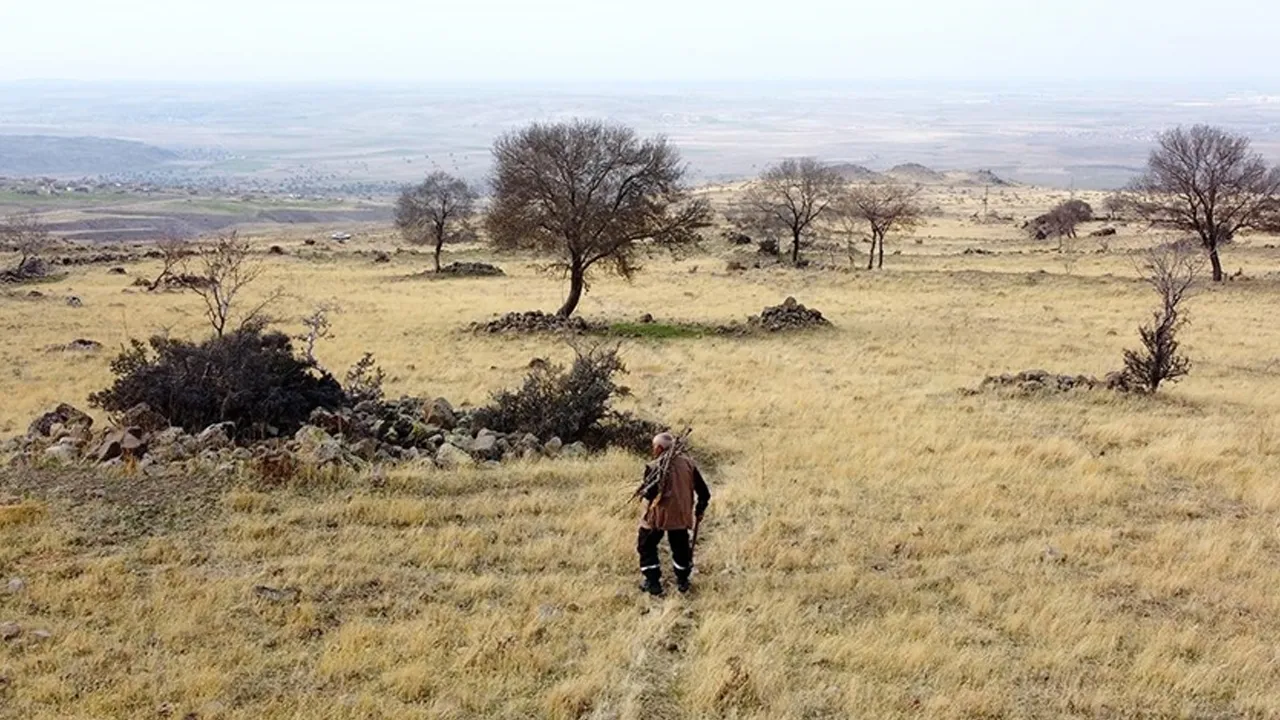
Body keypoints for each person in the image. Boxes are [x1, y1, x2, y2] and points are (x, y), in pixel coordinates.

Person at [637, 432, 710, 596]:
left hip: (657, 517)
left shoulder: (655, 466)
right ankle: (683, 581)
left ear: (659, 448)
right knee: (681, 548)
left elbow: (649, 494)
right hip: (681, 515)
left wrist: (644, 499)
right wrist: (700, 509)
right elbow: (704, 492)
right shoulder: (689, 464)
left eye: (654, 447)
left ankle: (653, 582)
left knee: (646, 545)